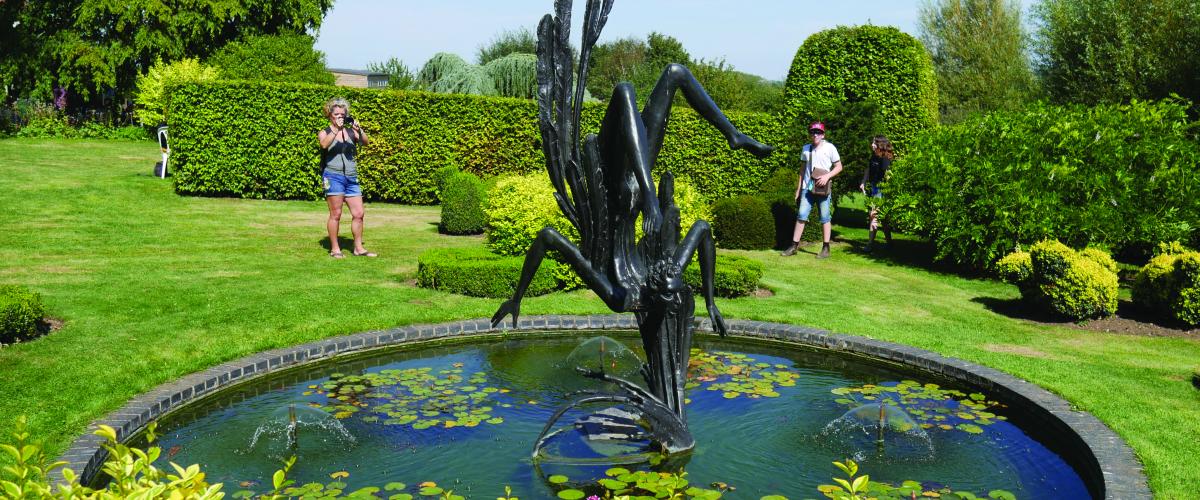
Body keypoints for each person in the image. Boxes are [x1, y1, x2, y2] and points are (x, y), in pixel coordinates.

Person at [318, 97, 376, 258]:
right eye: (336, 114)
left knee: (359, 213)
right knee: (336, 214)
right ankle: (335, 249)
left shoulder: (351, 132)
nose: (340, 117)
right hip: (333, 176)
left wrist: (360, 129)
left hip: (351, 177)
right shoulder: (325, 132)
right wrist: (336, 129)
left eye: (342, 115)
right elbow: (324, 144)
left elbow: (366, 142)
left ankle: (358, 248)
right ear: (330, 115)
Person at [781, 121, 842, 259]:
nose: (815, 134)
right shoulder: (806, 149)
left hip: (823, 189)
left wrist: (827, 176)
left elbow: (839, 167)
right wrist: (798, 189)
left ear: (823, 134)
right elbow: (802, 171)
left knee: (825, 218)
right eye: (813, 132)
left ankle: (826, 248)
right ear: (809, 134)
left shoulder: (830, 148)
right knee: (801, 216)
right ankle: (794, 246)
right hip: (807, 189)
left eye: (818, 132)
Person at [859, 135, 894, 251]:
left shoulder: (884, 158)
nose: (872, 145)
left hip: (881, 190)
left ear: (880, 144)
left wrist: (889, 192)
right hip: (873, 188)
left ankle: (870, 244)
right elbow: (868, 169)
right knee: (883, 219)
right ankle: (889, 243)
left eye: (874, 143)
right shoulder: (873, 155)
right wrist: (863, 182)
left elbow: (888, 175)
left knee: (873, 215)